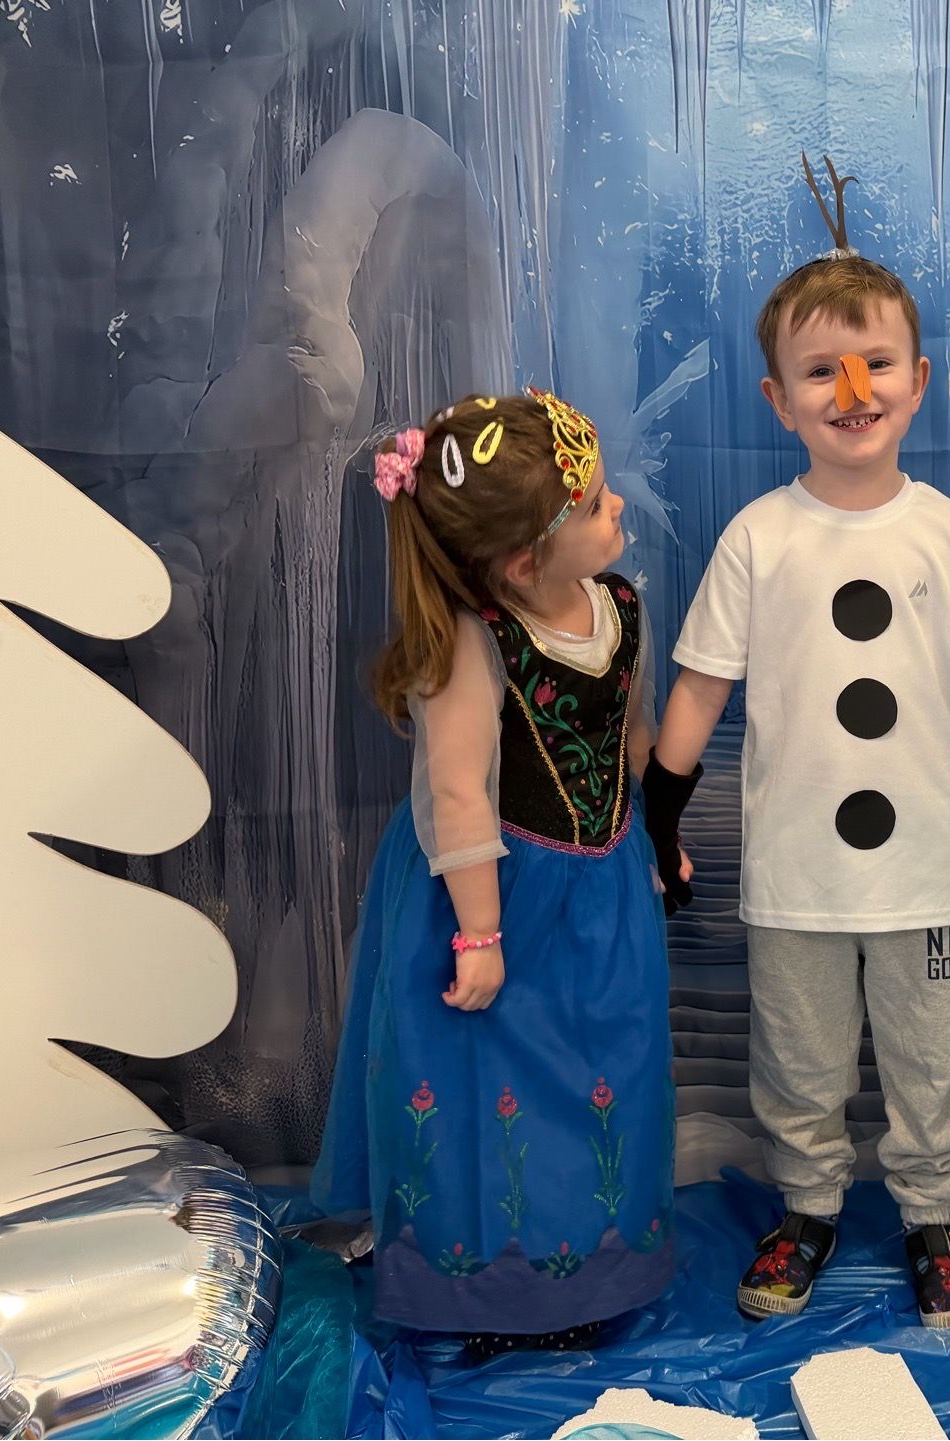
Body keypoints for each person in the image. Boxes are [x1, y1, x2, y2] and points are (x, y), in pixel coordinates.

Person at [641, 157, 950, 1332]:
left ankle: (935, 1220)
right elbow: (698, 689)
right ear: (780, 399)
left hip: (932, 877)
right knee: (798, 1062)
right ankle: (808, 1207)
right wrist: (659, 816)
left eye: (876, 365)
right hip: (797, 880)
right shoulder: (757, 539)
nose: (852, 389)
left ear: (920, 382)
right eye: (822, 370)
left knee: (932, 1061)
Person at [313, 390, 677, 1351]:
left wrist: (652, 834)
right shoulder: (475, 639)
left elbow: (630, 734)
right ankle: (495, 1288)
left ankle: (583, 1266)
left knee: (601, 1066)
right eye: (594, 504)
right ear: (524, 561)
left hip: (600, 888)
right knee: (497, 1078)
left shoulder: (621, 607)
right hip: (495, 890)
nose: (617, 508)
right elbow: (459, 792)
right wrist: (479, 933)